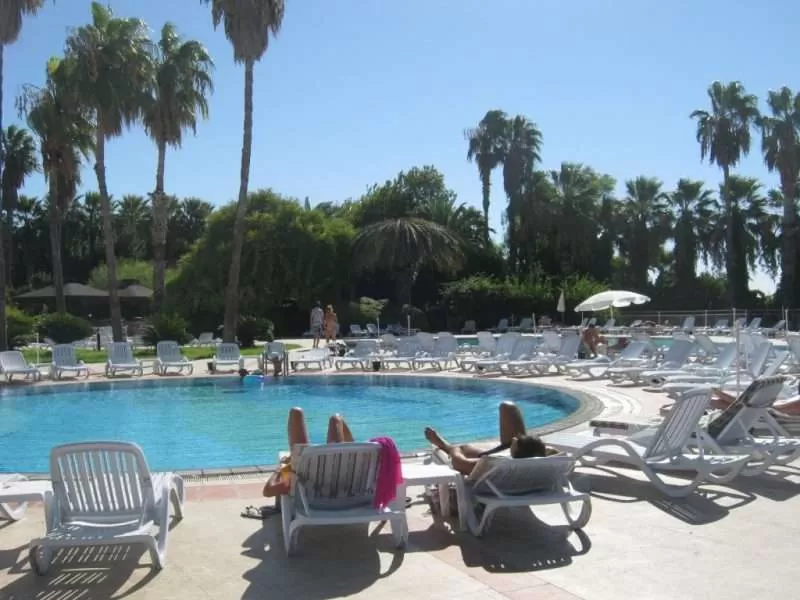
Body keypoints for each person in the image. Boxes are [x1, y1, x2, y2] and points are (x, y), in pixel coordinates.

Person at [424, 401, 550, 476]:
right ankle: (449, 446)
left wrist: (453, 449)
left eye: (515, 442)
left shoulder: (496, 465)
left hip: (499, 480)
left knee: (460, 449)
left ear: (516, 452)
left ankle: (444, 445)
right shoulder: (545, 463)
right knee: (508, 407)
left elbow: (459, 463)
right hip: (521, 466)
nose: (514, 439)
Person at [262, 407, 355, 497]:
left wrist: (279, 468)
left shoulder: (293, 480)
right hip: (338, 486)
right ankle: (338, 420)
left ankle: (338, 421)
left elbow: (267, 491)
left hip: (307, 495)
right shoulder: (358, 475)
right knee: (336, 419)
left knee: (296, 412)